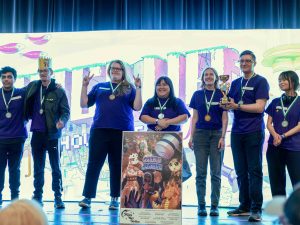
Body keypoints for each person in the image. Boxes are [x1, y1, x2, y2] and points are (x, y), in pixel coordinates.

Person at [79, 59, 142, 210]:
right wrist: (84, 86)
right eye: (113, 68)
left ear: (123, 72)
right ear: (109, 71)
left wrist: (139, 88)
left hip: (121, 131)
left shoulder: (129, 88)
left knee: (117, 166)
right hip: (100, 130)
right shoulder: (100, 86)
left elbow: (137, 106)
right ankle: (87, 197)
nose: (115, 71)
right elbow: (84, 104)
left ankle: (115, 198)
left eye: (118, 69)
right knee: (94, 164)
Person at [224, 50, 269, 222]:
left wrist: (237, 106)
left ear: (254, 62)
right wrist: (226, 104)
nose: (244, 63)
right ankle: (244, 206)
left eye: (248, 60)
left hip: (254, 131)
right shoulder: (235, 83)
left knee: (254, 171)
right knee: (241, 171)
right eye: (241, 61)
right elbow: (230, 105)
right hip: (237, 132)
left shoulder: (261, 81)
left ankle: (256, 209)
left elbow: (259, 108)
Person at [25, 57, 70, 209]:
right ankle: (37, 196)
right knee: (38, 167)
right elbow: (20, 94)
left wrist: (62, 122)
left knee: (55, 167)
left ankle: (58, 197)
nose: (43, 73)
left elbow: (66, 112)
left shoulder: (59, 90)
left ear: (51, 72)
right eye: (41, 71)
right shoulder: (33, 86)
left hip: (52, 135)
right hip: (37, 134)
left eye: (46, 71)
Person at [188, 67, 228, 217]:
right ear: (203, 78)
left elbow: (225, 118)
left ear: (216, 78)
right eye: (206, 75)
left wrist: (223, 137)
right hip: (200, 135)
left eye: (212, 74)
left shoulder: (222, 94)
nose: (209, 77)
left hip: (217, 134)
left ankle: (214, 206)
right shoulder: (197, 95)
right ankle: (201, 206)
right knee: (201, 173)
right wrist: (191, 137)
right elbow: (195, 118)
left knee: (216, 173)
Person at [266, 70, 300, 196]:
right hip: (274, 146)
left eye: (284, 79)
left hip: (294, 148)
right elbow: (268, 123)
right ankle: (280, 212)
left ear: (294, 81)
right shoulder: (275, 102)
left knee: (297, 183)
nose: (281, 82)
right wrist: (275, 135)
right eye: (279, 80)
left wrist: (283, 136)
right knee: (276, 183)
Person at [0, 67, 27, 207]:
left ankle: (15, 198)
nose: (6, 79)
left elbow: (38, 85)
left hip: (17, 138)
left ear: (14, 79)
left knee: (14, 169)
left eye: (9, 76)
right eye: (3, 77)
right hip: (0, 139)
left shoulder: (21, 93)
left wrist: (54, 84)